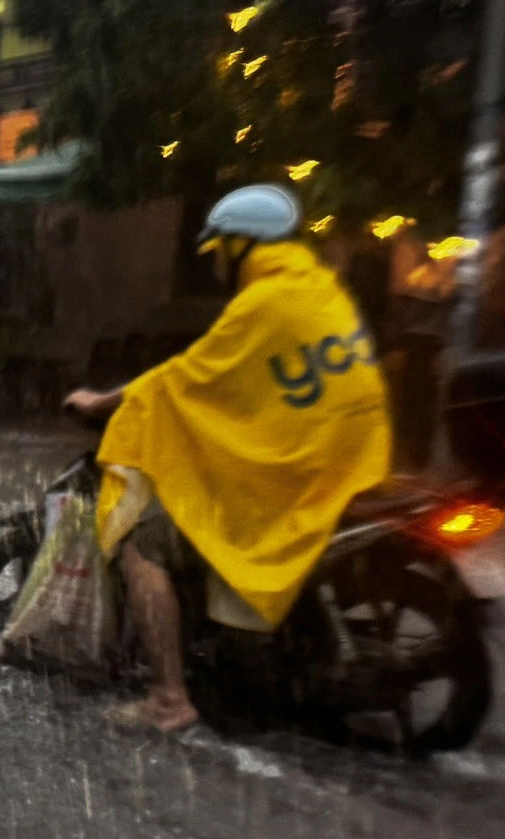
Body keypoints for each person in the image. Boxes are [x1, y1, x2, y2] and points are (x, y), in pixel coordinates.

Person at [64, 184, 393, 732]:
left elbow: (186, 379)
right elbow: (249, 391)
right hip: (344, 458)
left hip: (297, 473)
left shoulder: (262, 303)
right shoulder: (319, 288)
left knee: (142, 546)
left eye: (218, 252)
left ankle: (169, 698)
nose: (216, 265)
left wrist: (102, 402)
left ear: (242, 247)